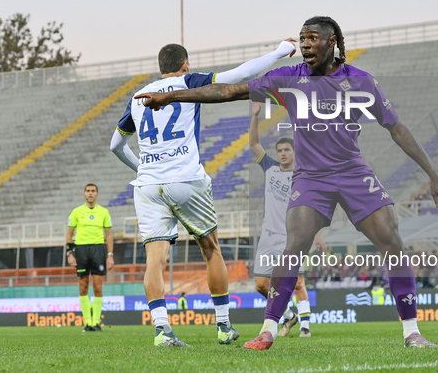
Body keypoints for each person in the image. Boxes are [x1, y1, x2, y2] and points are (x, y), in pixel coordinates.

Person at [135, 16, 438, 349]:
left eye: (313, 38)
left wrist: (433, 174)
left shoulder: (360, 82)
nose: (305, 45)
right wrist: (175, 97)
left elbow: (397, 128)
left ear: (332, 42)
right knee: (293, 247)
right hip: (311, 176)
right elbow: (229, 90)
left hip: (352, 171)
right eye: (302, 39)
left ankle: (412, 332)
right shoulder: (289, 77)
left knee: (393, 240)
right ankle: (269, 330)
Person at [110, 40, 297, 347]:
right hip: (186, 179)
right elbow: (237, 76)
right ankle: (223, 326)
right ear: (185, 65)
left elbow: (115, 145)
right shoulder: (188, 82)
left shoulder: (138, 97)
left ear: (160, 67)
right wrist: (278, 52)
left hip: (146, 185)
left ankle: (162, 331)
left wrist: (142, 167)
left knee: (154, 260)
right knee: (210, 249)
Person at [250, 103, 326, 337]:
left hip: (291, 236)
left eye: (286, 150)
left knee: (297, 282)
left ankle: (305, 328)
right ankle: (288, 316)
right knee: (262, 285)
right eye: (280, 150)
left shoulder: (303, 175)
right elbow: (254, 144)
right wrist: (255, 116)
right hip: (267, 236)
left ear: (295, 152)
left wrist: (318, 235)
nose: (282, 153)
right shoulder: (270, 168)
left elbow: (312, 209)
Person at [66, 183, 114, 332]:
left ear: (97, 194)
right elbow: (69, 234)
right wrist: (70, 253)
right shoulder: (76, 212)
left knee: (98, 286)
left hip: (98, 249)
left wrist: (110, 255)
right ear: (84, 194)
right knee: (83, 286)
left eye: (93, 191)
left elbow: (109, 235)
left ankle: (96, 322)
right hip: (81, 249)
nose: (90, 193)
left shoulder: (104, 212)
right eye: (88, 191)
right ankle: (88, 323)